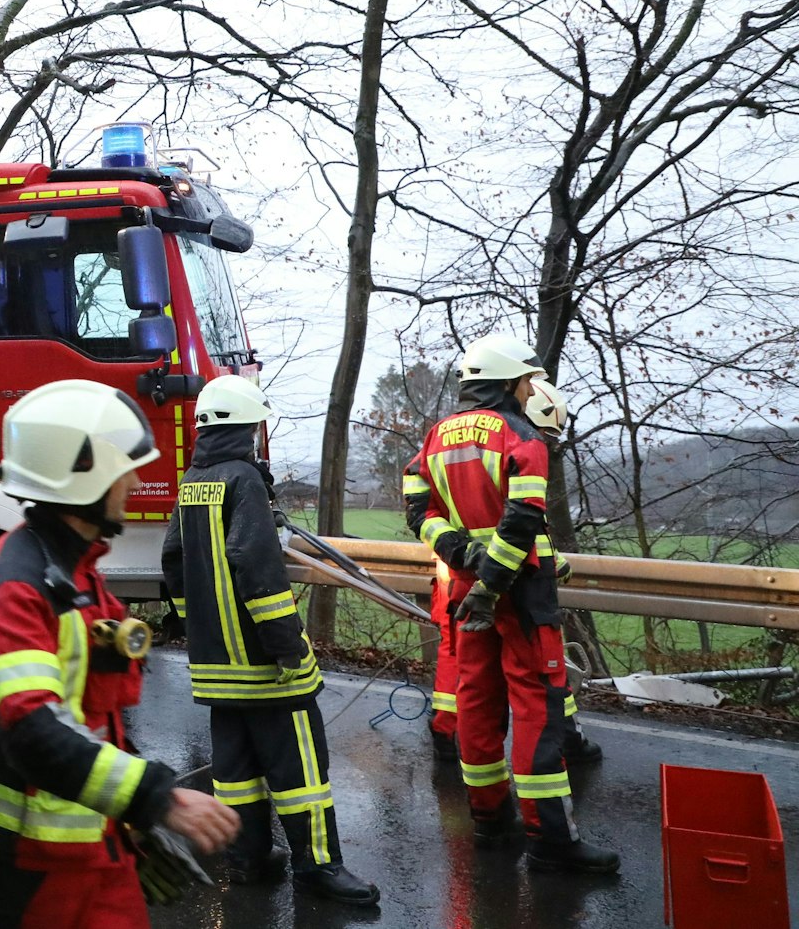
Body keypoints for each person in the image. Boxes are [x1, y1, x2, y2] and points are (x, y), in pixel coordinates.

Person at [0, 379, 238, 928]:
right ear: (84, 477)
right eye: (126, 469)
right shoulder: (15, 588)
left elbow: (92, 719)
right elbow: (31, 730)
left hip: (90, 850)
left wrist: (133, 825)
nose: (136, 481)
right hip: (16, 876)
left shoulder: (73, 574)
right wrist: (159, 800)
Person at [163, 374, 381, 907]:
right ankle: (318, 868)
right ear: (247, 428)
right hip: (263, 664)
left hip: (214, 665)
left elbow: (173, 562)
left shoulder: (194, 480)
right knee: (301, 770)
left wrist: (200, 630)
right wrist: (289, 647)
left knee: (236, 773)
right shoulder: (244, 480)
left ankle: (248, 859)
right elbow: (258, 570)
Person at [408, 334, 618, 874]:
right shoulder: (521, 435)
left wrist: (463, 556)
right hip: (518, 597)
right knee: (536, 710)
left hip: (464, 594)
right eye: (527, 381)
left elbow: (418, 509)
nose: (530, 390)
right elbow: (522, 519)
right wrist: (494, 583)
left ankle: (489, 822)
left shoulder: (436, 436)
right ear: (509, 381)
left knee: (476, 704)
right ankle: (551, 839)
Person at [407, 377, 601, 766]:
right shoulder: (512, 440)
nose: (543, 441)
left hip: (464, 575)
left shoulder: (446, 440)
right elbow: (515, 521)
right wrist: (485, 564)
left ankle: (460, 750)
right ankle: (453, 734)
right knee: (529, 685)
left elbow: (519, 525)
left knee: (473, 682)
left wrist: (467, 553)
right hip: (501, 582)